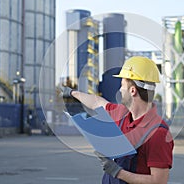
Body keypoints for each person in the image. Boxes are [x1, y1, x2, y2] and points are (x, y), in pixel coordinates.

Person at [63, 56, 174, 184]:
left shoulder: (158, 133)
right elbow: (97, 102)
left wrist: (118, 172)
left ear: (133, 91)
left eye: (122, 85)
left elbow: (158, 181)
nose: (120, 90)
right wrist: (72, 93)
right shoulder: (121, 113)